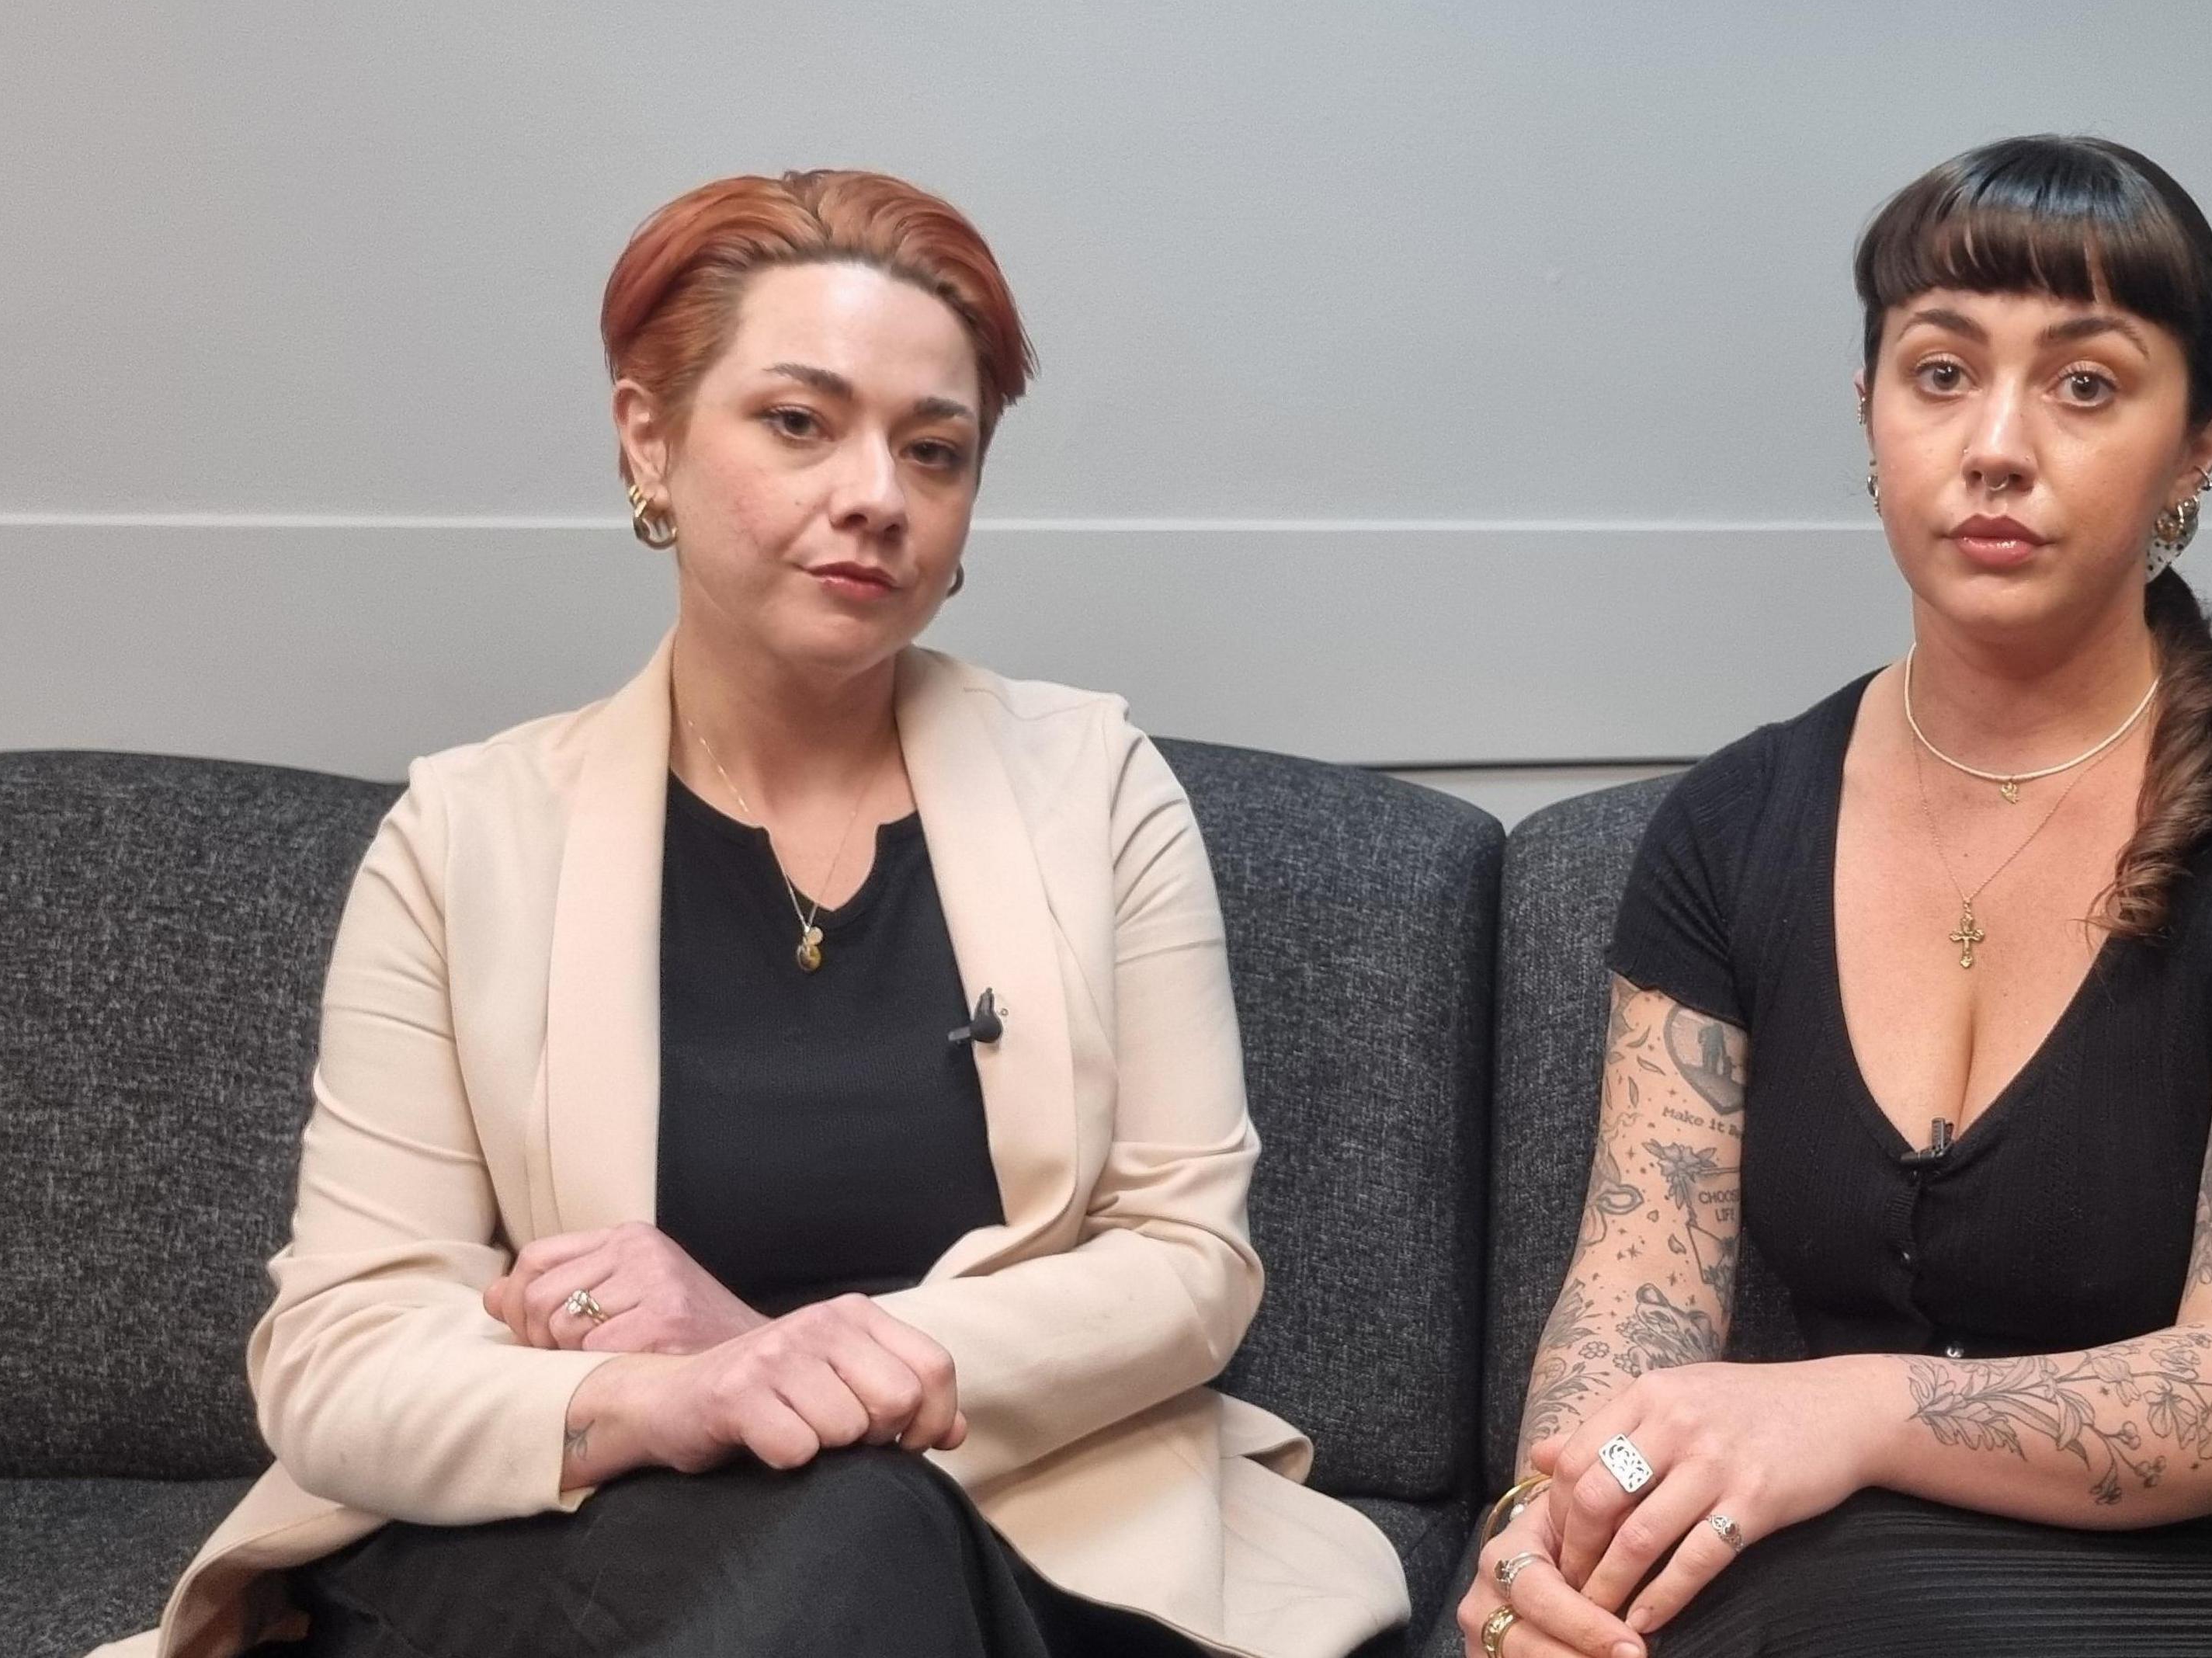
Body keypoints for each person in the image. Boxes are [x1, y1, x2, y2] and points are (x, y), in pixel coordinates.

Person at [95, 169, 1408, 1658]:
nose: (876, 494)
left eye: (936, 450)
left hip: (1019, 1518)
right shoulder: (464, 836)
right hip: (595, 1538)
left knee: (860, 1526)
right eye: (799, 422)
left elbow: (1190, 1263)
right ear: (647, 437)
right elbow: (340, 1354)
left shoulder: (1096, 789)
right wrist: (670, 1397)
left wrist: (806, 1360)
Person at [1458, 135, 2212, 1657]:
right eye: (1940, 373)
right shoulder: (1732, 826)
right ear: (1869, 416)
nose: (1997, 444)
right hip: (1851, 1562)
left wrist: (1856, 1408)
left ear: (2202, 442)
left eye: (2084, 384)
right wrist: (1554, 1526)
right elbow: (1640, 1289)